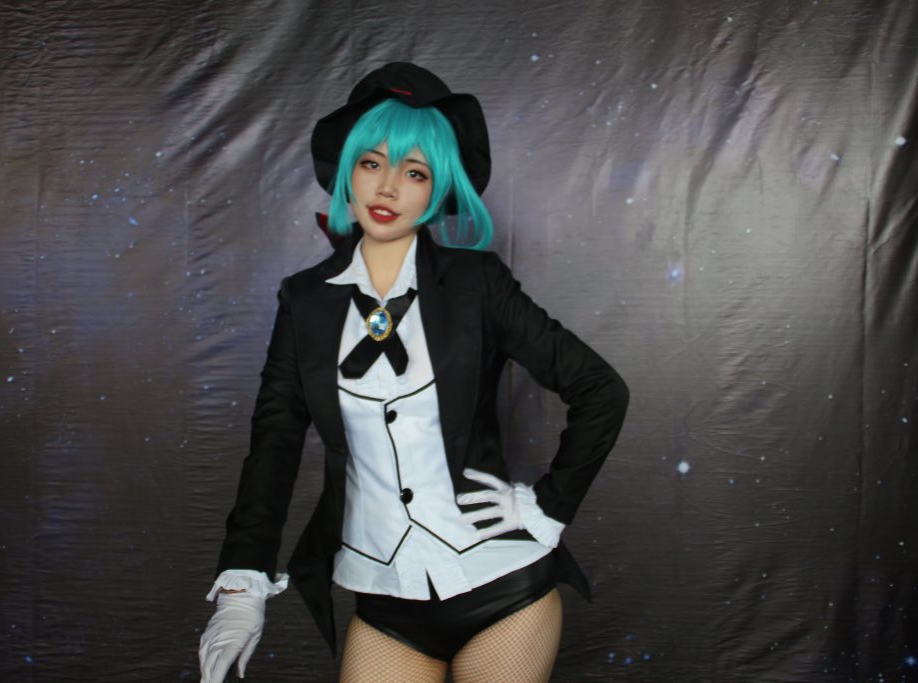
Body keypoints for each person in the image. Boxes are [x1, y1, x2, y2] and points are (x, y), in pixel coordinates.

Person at [198, 62, 629, 683]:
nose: (388, 187)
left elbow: (600, 390)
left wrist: (544, 506)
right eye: (372, 163)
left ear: (438, 189)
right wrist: (243, 585)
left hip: (503, 590)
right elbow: (275, 442)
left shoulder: (476, 284)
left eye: (415, 172)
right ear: (347, 171)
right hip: (384, 600)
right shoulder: (305, 301)